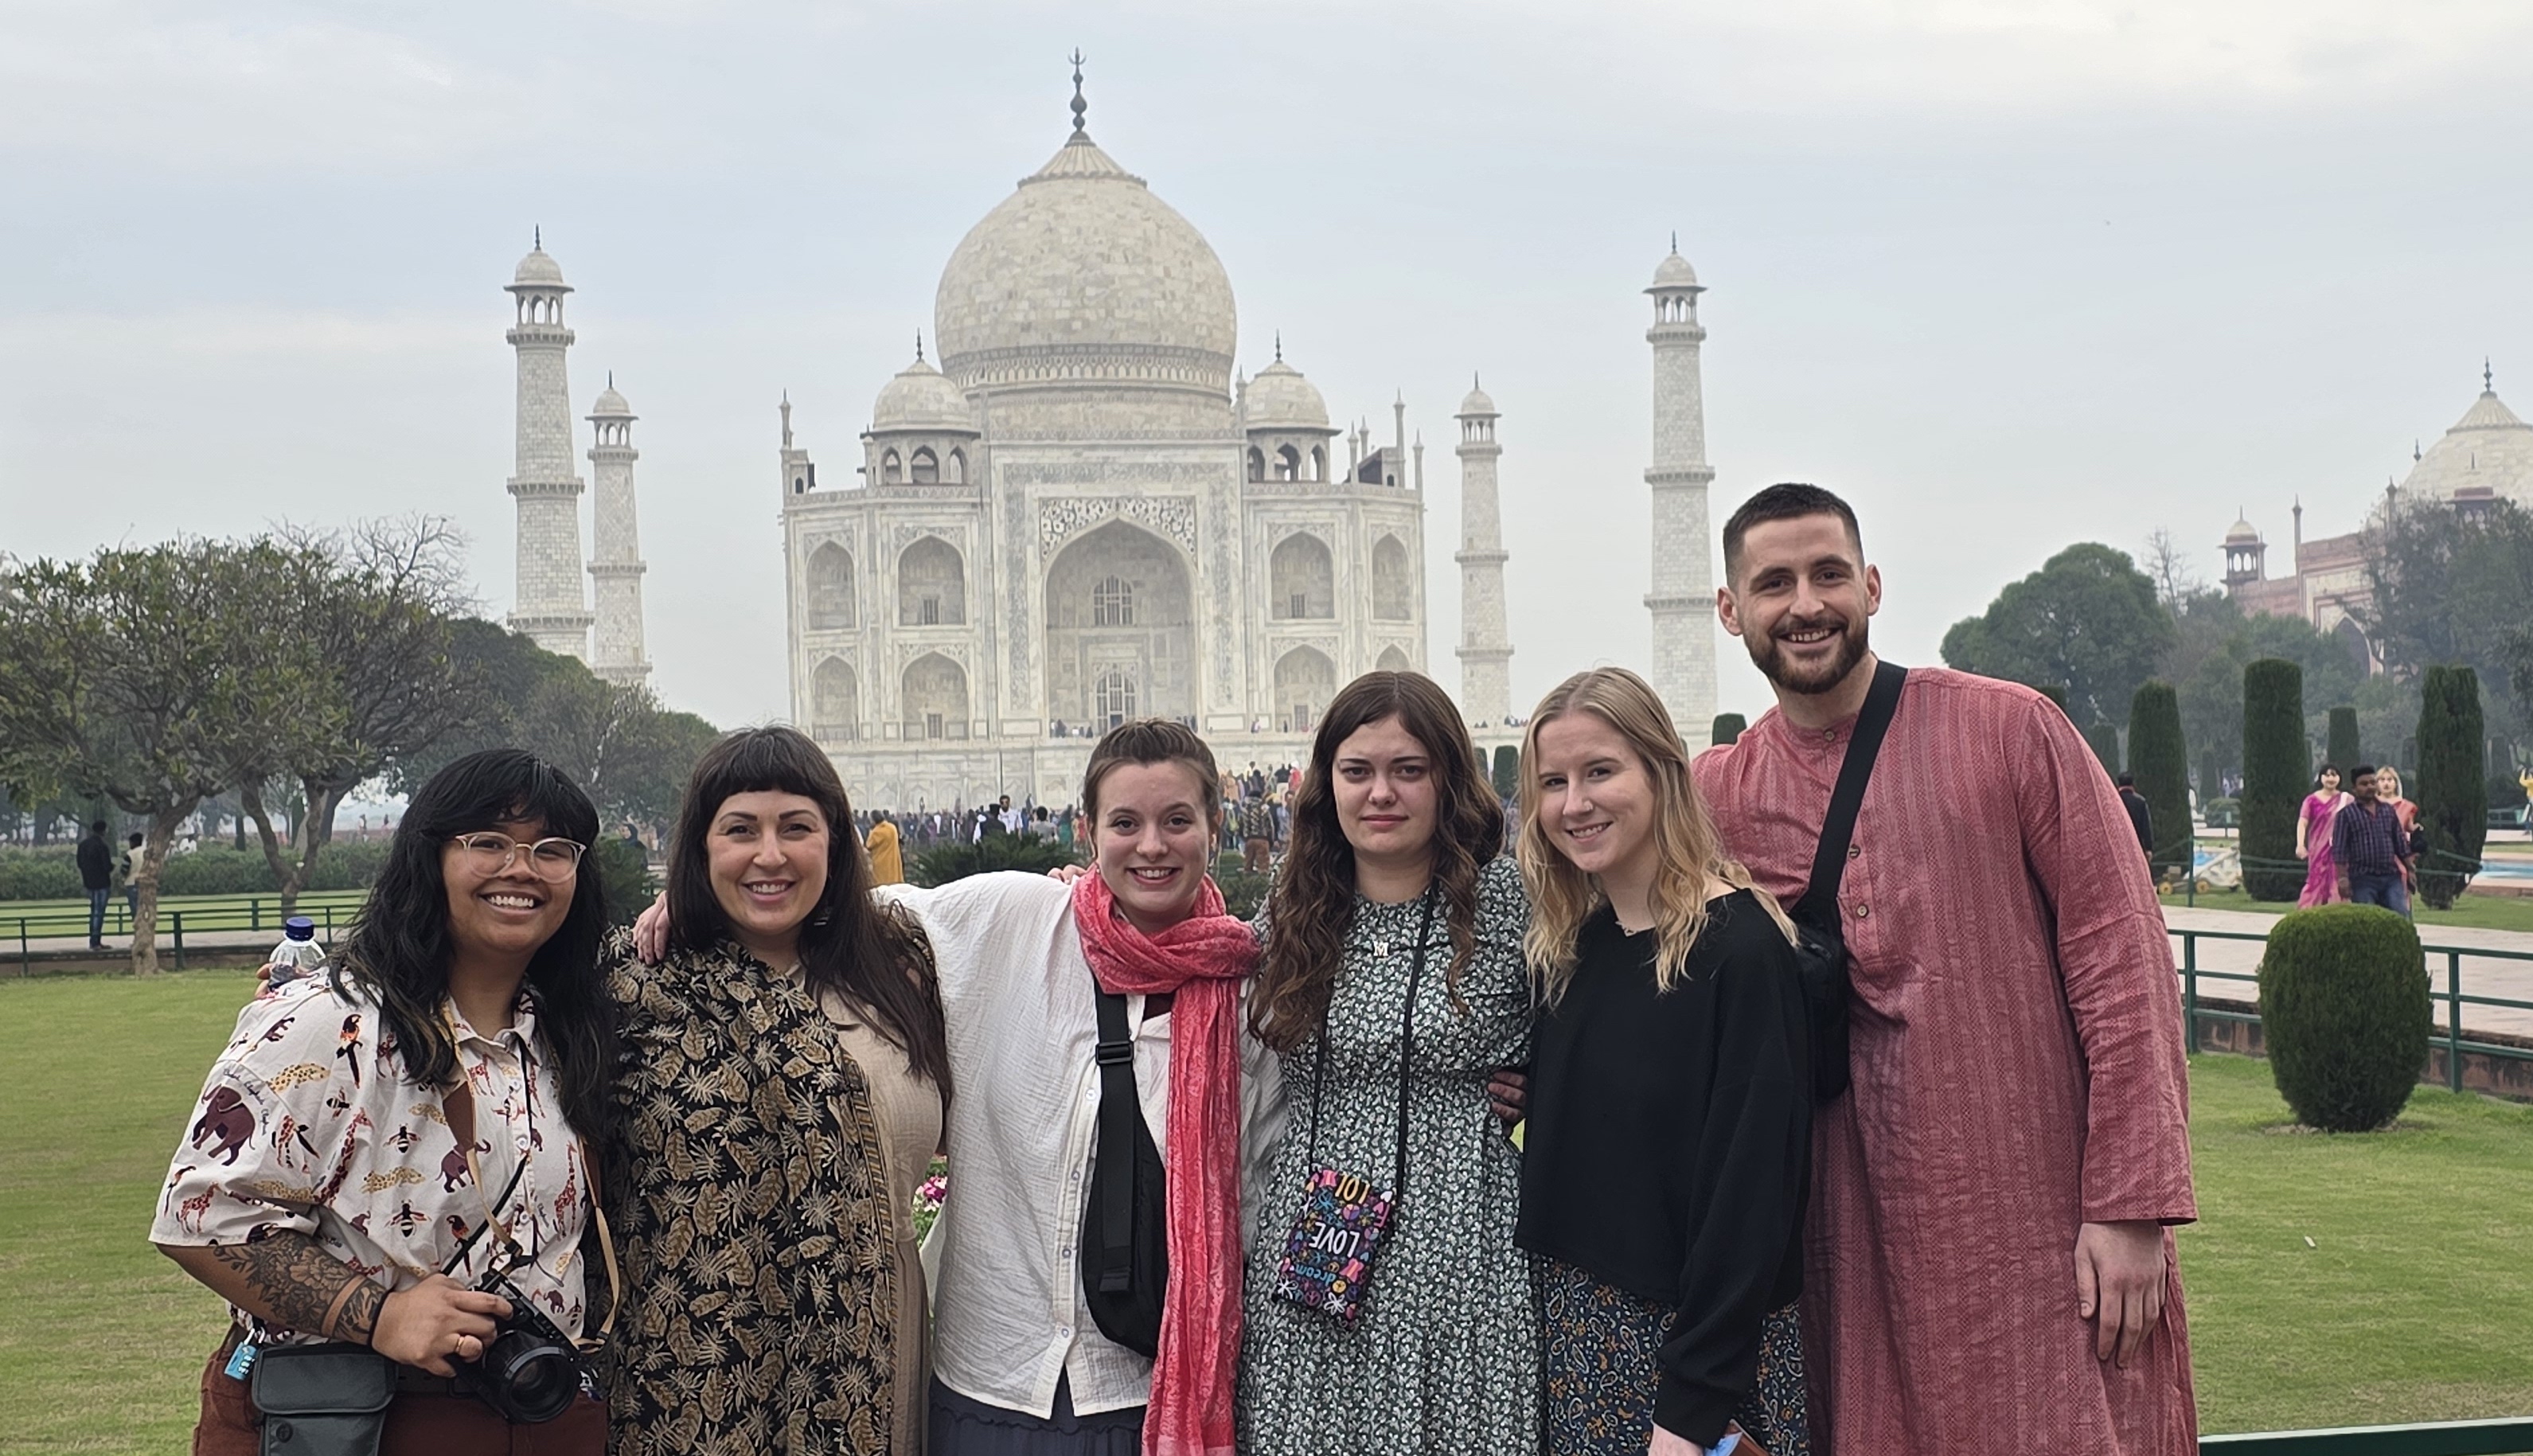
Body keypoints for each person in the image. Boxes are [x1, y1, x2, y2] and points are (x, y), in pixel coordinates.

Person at [1697, 482, 2195, 1454]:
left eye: (1827, 574)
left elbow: (2121, 961)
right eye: (1773, 583)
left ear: (1871, 586)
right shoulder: (1716, 796)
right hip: (1838, 1238)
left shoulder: (2007, 731)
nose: (1804, 602)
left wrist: (2129, 1206)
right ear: (1730, 611)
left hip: (2034, 1222)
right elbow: (1630, 991)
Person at [634, 720, 1283, 1455]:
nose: (1152, 846)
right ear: (1087, 830)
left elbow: (1257, 1194)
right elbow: (846, 907)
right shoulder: (1014, 921)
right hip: (992, 1385)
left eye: (1177, 821)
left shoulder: (1248, 995)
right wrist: (694, 906)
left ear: (1216, 825)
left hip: (1156, 1392)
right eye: (1125, 822)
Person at [152, 749, 615, 1454]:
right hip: (356, 1417)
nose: (522, 868)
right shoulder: (332, 1021)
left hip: (542, 1407)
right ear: (429, 858)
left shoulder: (564, 1032)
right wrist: (381, 1315)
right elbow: (201, 1215)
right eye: (487, 842)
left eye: (552, 849)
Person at [606, 726, 946, 1454]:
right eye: (739, 830)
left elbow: (1040, 922)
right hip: (695, 1385)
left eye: (797, 828)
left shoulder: (901, 968)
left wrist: (1072, 886)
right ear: (699, 847)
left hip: (877, 1363)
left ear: (836, 841)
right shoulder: (637, 984)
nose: (769, 854)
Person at [1516, 667, 1813, 1456]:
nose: (1574, 802)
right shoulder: (1575, 949)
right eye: (1553, 781)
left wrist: (1686, 1412)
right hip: (1576, 1345)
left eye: (1599, 771)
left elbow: (1748, 1199)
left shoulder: (1737, 951)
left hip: (1698, 1373)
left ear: (1661, 771)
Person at [1239, 670, 1537, 1454]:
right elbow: (1177, 957)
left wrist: (1549, 1084)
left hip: (1465, 1258)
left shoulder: (1507, 904)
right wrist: (1079, 896)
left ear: (1447, 779)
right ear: (1324, 784)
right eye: (1357, 770)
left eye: (1408, 769)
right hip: (1314, 1259)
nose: (1381, 792)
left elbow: (1606, 1019)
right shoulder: (1291, 910)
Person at [2332, 766, 2414, 916]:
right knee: (2367, 920)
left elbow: (2400, 843)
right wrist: (2343, 878)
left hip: (2390, 876)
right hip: (2362, 879)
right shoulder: (2346, 815)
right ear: (2354, 789)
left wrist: (2410, 869)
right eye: (2364, 784)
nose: (2370, 787)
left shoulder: (2388, 811)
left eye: (2372, 782)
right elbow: (2339, 849)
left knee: (2400, 917)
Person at [2295, 766, 2348, 908]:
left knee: (2337, 882)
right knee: (2316, 881)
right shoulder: (2311, 800)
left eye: (2334, 775)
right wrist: (2300, 844)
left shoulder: (2346, 800)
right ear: (2320, 778)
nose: (2331, 779)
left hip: (2340, 850)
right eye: (2327, 775)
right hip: (2318, 850)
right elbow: (2303, 822)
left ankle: (2336, 915)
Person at [2375, 767, 2420, 888]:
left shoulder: (2406, 806)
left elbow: (2410, 828)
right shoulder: (2371, 804)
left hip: (2400, 854)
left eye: (2390, 780)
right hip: (2375, 853)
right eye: (2382, 780)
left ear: (2395, 783)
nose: (2386, 783)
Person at [78, 819, 112, 948]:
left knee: (94, 911)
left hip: (89, 882)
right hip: (102, 882)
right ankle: (95, 940)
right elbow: (107, 866)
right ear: (104, 830)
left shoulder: (83, 846)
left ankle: (93, 939)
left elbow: (80, 863)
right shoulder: (102, 846)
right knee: (99, 912)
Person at [2116, 772, 2155, 862]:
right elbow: (2146, 827)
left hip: (2118, 845)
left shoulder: (2113, 800)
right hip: (2136, 845)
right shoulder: (2140, 801)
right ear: (2132, 784)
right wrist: (2148, 848)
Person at [867, 807, 905, 884]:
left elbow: (869, 845)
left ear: (874, 820)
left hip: (881, 864)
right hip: (893, 861)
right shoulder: (892, 827)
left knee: (882, 885)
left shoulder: (877, 832)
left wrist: (870, 832)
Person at [1239, 791, 1274, 873]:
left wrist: (1245, 839)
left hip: (1249, 840)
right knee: (1263, 868)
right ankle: (1262, 884)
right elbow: (1270, 826)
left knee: (1247, 867)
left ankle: (1246, 883)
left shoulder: (1245, 809)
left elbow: (1240, 826)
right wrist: (1271, 840)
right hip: (1263, 839)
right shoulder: (1265, 808)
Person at [118, 831, 144, 922]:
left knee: (134, 908)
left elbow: (124, 870)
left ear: (133, 842)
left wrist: (122, 878)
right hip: (145, 882)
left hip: (132, 882)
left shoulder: (130, 854)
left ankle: (137, 927)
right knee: (144, 907)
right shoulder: (146, 852)